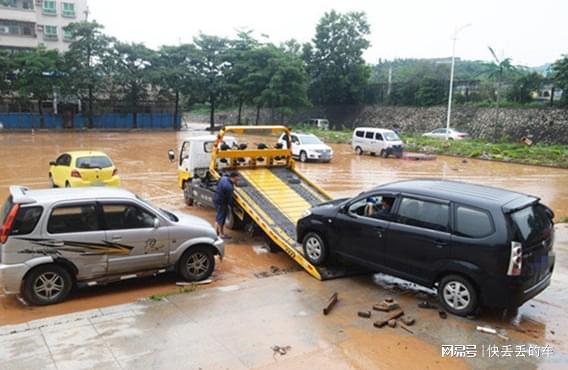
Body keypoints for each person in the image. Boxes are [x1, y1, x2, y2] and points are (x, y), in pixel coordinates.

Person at [213, 172, 239, 239]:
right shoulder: (228, 187)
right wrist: (233, 205)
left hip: (216, 198)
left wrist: (234, 183)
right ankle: (220, 234)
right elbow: (229, 199)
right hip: (222, 202)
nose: (237, 181)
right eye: (236, 179)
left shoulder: (224, 178)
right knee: (221, 217)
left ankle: (216, 232)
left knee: (218, 216)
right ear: (233, 178)